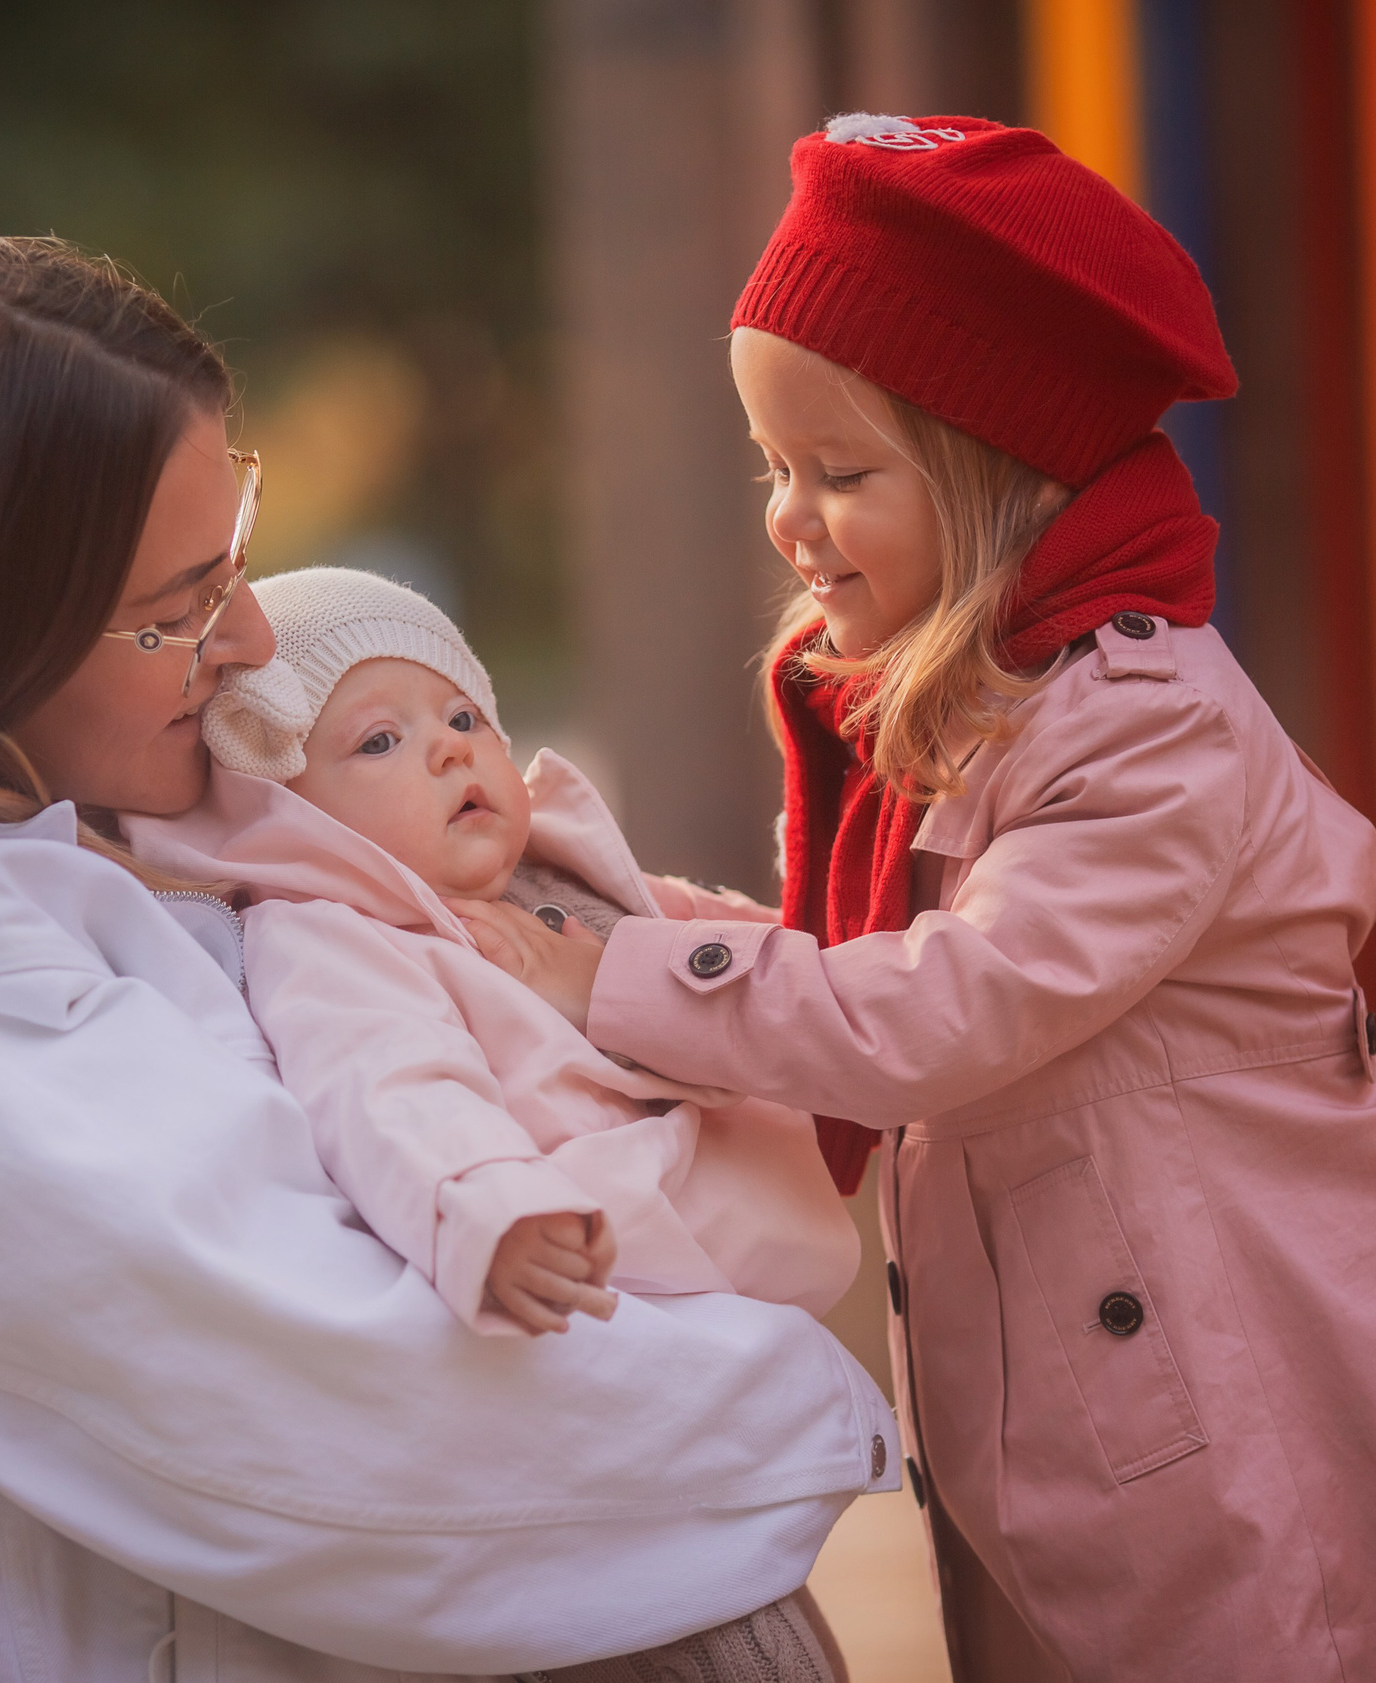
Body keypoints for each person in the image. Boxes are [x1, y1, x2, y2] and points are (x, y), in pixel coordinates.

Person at [0, 228, 894, 1683]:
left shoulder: (103, 847)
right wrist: (807, 1396)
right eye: (180, 609)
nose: (252, 639)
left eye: (241, 565)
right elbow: (327, 1407)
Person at [454, 117, 1376, 1683]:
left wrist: (623, 975)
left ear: (991, 475)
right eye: (772, 468)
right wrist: (603, 905)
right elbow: (858, 958)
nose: (788, 517)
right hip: (1083, 1355)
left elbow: (952, 1003)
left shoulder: (1145, 724)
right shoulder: (983, 704)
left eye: (840, 470)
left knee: (1258, 1644)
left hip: (1227, 1351)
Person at [124, 566, 859, 1340]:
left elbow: (766, 949)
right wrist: (492, 1206)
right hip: (607, 1267)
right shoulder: (334, 940)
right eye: (380, 741)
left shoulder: (561, 869)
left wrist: (867, 949)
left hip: (759, 1252)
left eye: (465, 717)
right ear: (284, 814)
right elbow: (389, 1089)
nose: (449, 749)